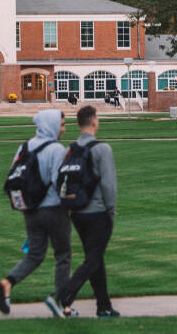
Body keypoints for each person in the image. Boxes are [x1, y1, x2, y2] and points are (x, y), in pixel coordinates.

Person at [0, 110, 70, 315]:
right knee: (63, 255)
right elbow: (59, 183)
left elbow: (15, 173)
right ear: (52, 125)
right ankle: (62, 303)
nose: (63, 129)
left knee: (35, 255)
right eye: (61, 124)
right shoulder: (56, 149)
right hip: (53, 209)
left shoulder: (24, 146)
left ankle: (7, 283)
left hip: (30, 209)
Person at [46, 106, 119, 318]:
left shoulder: (72, 148)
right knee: (93, 259)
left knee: (95, 258)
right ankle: (62, 296)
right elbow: (109, 186)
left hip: (77, 212)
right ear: (94, 121)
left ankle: (103, 306)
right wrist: (110, 212)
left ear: (79, 124)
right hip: (97, 212)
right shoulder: (102, 149)